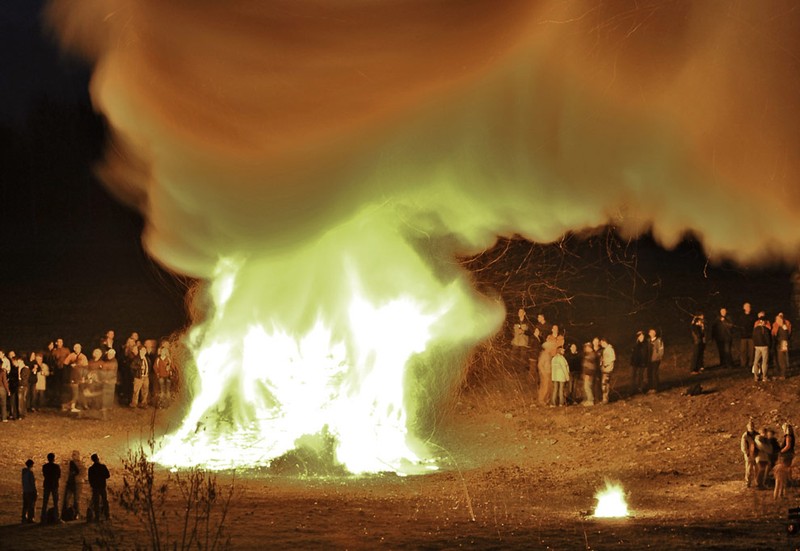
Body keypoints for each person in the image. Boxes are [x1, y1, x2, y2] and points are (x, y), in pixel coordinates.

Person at [88, 453, 110, 522]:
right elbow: (107, 475)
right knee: (104, 501)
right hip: (102, 486)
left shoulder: (91, 469)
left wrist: (92, 485)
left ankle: (97, 517)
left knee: (96, 502)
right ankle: (107, 516)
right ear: (98, 459)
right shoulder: (102, 466)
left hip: (95, 487)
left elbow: (90, 479)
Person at [62, 450, 84, 521]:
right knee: (67, 500)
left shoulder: (78, 464)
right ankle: (67, 515)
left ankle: (75, 514)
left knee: (75, 500)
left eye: (74, 454)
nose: (73, 456)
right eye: (73, 454)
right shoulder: (72, 463)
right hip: (72, 483)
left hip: (76, 483)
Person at [41, 452, 61, 523]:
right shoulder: (56, 466)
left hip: (47, 485)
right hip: (54, 485)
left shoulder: (44, 466)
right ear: (53, 458)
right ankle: (56, 518)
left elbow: (44, 474)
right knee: (56, 502)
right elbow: (59, 476)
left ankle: (43, 519)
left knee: (45, 502)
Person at [752, 312, 771, 381]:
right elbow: (768, 338)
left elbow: (753, 337)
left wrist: (755, 344)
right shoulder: (765, 329)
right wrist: (769, 345)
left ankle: (756, 377)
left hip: (757, 346)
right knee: (764, 362)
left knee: (756, 361)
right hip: (764, 346)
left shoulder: (755, 328)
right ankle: (764, 377)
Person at [773, 313, 792, 379]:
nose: (776, 321)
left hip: (782, 343)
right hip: (779, 343)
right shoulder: (779, 326)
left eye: (777, 320)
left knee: (782, 359)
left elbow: (786, 336)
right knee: (779, 359)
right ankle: (780, 373)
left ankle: (783, 374)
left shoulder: (784, 326)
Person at [740, 421, 757, 488]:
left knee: (757, 469)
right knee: (749, 469)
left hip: (756, 454)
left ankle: (757, 482)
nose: (751, 427)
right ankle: (748, 482)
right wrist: (746, 453)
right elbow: (743, 446)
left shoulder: (756, 434)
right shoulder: (745, 436)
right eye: (750, 426)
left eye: (752, 426)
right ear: (747, 427)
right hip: (749, 455)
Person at [646, 329, 664, 394]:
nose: (651, 333)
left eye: (652, 332)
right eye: (650, 332)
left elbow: (661, 350)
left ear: (655, 333)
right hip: (649, 360)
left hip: (656, 360)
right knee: (649, 374)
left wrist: (659, 357)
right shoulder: (648, 341)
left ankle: (655, 388)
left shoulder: (658, 340)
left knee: (654, 373)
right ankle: (650, 387)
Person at [739, 303, 756, 370]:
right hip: (743, 336)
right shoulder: (741, 316)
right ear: (744, 308)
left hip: (751, 336)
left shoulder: (753, 316)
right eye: (747, 307)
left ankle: (750, 363)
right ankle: (743, 363)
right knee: (743, 350)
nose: (748, 308)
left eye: (749, 306)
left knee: (751, 351)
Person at [599, 337, 616, 404]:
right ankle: (605, 398)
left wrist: (605, 364)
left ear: (604, 342)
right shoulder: (606, 349)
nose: (601, 344)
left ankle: (605, 399)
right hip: (605, 369)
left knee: (604, 384)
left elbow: (612, 358)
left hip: (607, 370)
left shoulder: (610, 349)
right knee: (605, 384)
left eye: (601, 342)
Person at [21, 459, 37, 523]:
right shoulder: (30, 473)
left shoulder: (24, 472)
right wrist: (35, 490)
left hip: (25, 490)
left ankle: (24, 517)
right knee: (31, 505)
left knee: (25, 505)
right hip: (30, 491)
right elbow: (32, 483)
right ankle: (31, 518)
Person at [0, 356, 9, 422]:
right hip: (1, 388)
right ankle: (4, 418)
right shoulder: (2, 371)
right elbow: (5, 382)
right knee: (3, 404)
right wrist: (8, 390)